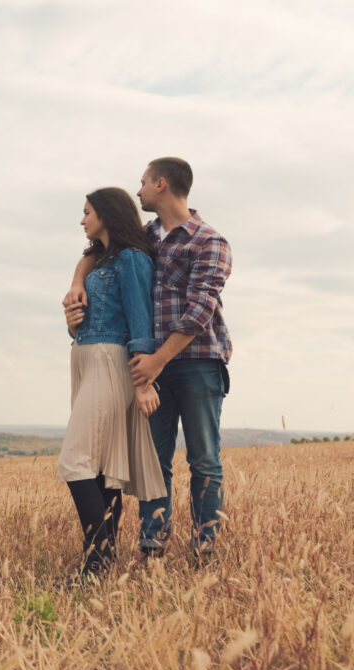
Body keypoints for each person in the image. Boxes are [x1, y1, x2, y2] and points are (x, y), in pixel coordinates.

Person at [63, 158, 231, 561]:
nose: (137, 192)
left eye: (142, 184)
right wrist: (75, 282)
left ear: (161, 184)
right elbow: (102, 251)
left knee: (203, 459)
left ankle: (204, 548)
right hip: (148, 362)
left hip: (197, 361)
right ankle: (151, 547)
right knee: (154, 461)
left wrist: (154, 362)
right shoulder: (149, 236)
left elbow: (198, 314)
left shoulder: (209, 241)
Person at [59, 187, 168, 581]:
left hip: (110, 361)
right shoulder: (98, 260)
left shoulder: (132, 259)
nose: (82, 219)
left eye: (87, 211)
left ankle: (98, 558)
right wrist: (72, 323)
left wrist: (142, 381)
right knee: (103, 467)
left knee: (75, 462)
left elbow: (141, 321)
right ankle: (103, 562)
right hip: (86, 357)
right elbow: (88, 315)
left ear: (106, 213)